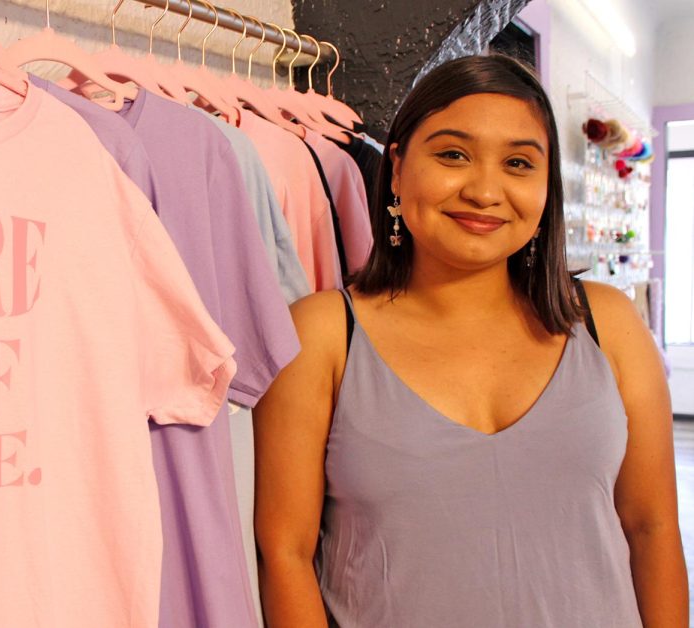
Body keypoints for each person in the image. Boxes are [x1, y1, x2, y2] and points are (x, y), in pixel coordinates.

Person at [253, 54, 688, 627]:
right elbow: (285, 553)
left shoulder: (606, 324)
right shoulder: (323, 335)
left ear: (545, 187)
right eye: (453, 154)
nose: (485, 191)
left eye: (518, 163)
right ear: (399, 168)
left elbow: (652, 527)